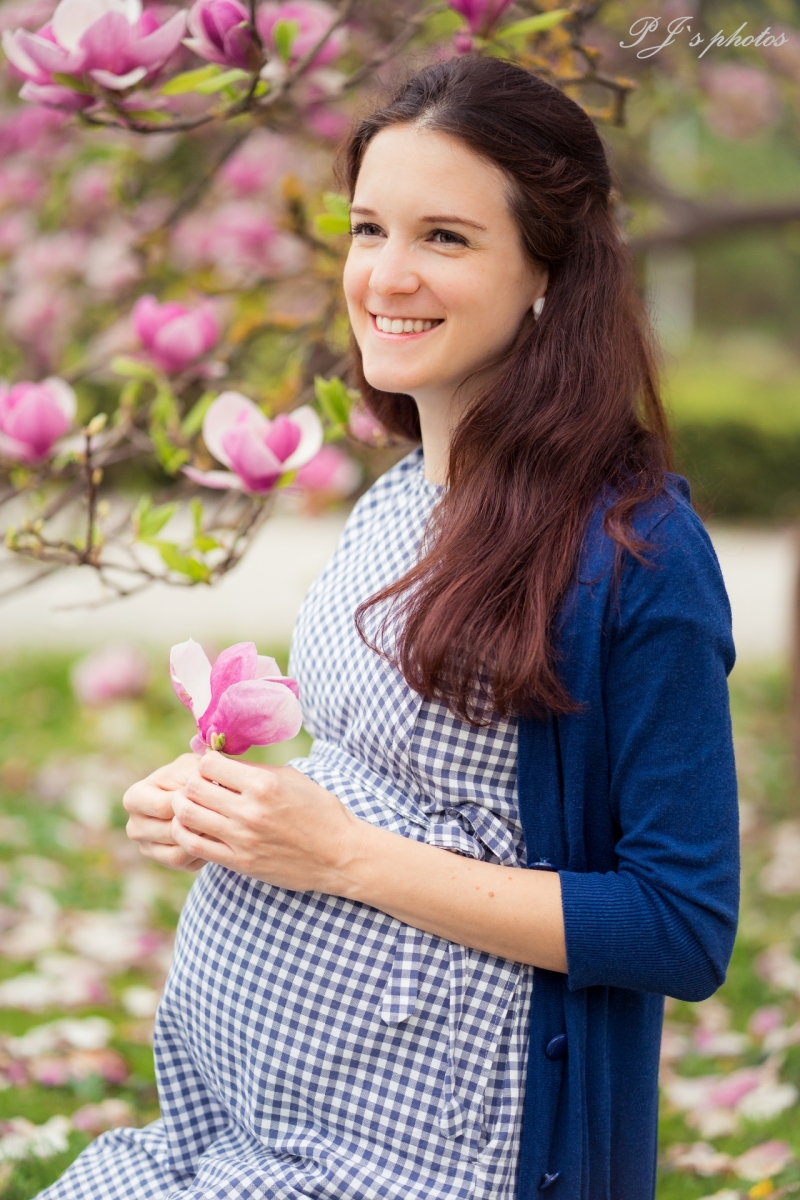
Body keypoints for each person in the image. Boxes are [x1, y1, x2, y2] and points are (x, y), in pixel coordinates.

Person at [39, 54, 739, 1200]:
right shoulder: (400, 494)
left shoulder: (634, 553)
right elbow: (375, 777)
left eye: (445, 238)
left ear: (546, 276)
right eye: (369, 229)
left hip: (423, 1161)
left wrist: (339, 854)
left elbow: (678, 923)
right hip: (229, 1125)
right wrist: (227, 812)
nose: (385, 275)